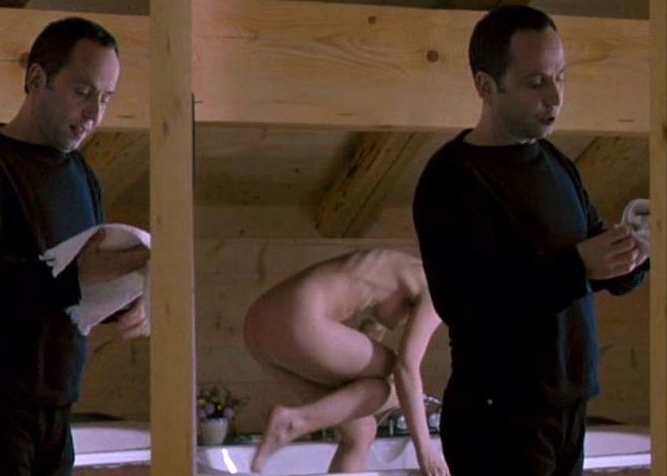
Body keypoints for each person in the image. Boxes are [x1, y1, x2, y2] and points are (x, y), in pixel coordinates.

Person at [412, 6, 649, 475]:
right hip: (498, 419)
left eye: (561, 77)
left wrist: (640, 250)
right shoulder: (453, 179)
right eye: (536, 82)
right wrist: (579, 266)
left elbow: (602, 268)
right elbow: (468, 305)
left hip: (567, 408)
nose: (555, 97)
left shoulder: (555, 162)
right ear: (486, 86)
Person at [0, 16, 150, 475]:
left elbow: (72, 294)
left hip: (57, 405)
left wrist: (125, 305)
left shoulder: (82, 175)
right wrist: (78, 278)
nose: (94, 115)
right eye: (83, 92)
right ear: (36, 79)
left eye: (106, 98)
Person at [243, 248, 448, 475]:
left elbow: (373, 328)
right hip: (296, 317)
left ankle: (298, 421)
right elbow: (406, 368)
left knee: (360, 431)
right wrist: (426, 451)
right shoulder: (440, 289)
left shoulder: (402, 271)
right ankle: (294, 422)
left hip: (259, 327)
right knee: (392, 381)